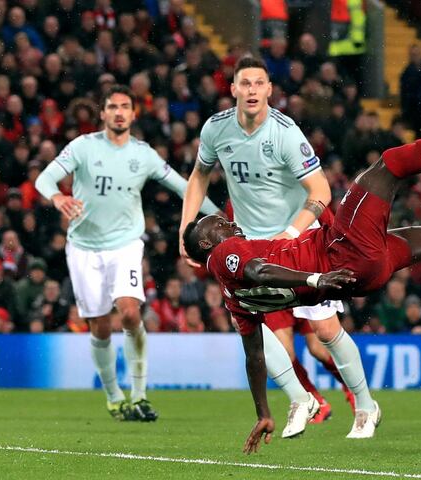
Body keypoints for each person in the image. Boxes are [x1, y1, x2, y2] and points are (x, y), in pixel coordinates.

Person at [183, 79, 421, 454]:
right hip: (340, 253)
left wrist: (263, 411)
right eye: (215, 223)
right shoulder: (225, 253)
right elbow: (260, 271)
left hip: (359, 277)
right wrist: (316, 275)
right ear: (206, 243)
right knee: (389, 164)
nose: (224, 221)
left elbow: (254, 356)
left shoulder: (235, 303)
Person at [179, 56, 366, 440]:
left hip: (299, 237)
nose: (251, 90)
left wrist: (291, 231)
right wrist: (186, 226)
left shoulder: (285, 133)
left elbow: (321, 192)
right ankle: (302, 399)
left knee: (326, 332)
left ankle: (365, 404)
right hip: (248, 244)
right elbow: (199, 176)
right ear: (232, 89)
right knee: (253, 326)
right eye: (244, 83)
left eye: (258, 83)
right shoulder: (215, 129)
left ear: (268, 90)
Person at [35, 85, 218, 421]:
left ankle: (139, 394)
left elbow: (182, 186)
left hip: (125, 245)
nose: (119, 112)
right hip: (84, 248)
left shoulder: (143, 154)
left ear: (134, 114)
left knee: (131, 313)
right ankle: (113, 396)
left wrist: (218, 214)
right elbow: (44, 180)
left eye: (125, 107)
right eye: (112, 107)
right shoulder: (82, 147)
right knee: (101, 327)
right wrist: (57, 198)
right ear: (102, 114)